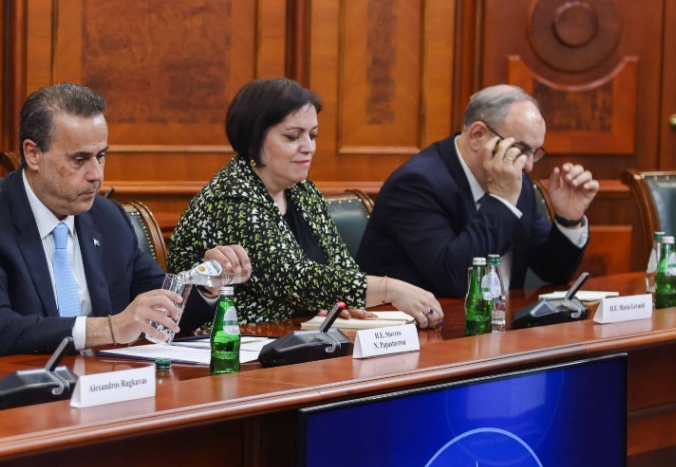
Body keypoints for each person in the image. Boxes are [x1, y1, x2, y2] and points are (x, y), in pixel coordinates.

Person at [0, 83, 250, 358]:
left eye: (100, 156)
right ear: (33, 154)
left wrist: (207, 285)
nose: (96, 175)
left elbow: (160, 309)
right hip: (23, 394)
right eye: (79, 159)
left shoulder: (108, 217)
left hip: (104, 385)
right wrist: (109, 328)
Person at [166, 78, 443, 326]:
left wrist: (341, 303)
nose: (309, 147)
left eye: (312, 135)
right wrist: (389, 289)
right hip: (229, 345)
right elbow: (292, 279)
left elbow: (341, 267)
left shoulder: (302, 190)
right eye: (293, 136)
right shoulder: (231, 197)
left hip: (292, 337)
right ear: (253, 139)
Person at [357, 84, 599, 299]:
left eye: (535, 152)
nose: (528, 166)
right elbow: (455, 280)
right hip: (421, 328)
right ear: (477, 135)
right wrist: (502, 201)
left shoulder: (518, 181)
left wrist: (569, 219)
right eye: (520, 149)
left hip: (501, 326)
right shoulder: (416, 184)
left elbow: (553, 270)